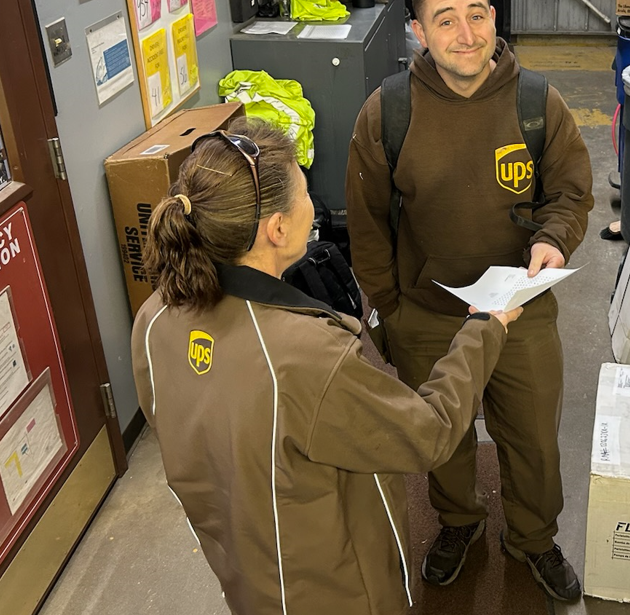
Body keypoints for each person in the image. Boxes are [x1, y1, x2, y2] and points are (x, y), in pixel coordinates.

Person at [131, 117, 522, 615]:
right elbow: (430, 432)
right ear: (277, 228)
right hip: (332, 590)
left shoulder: (154, 317)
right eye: (304, 191)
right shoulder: (304, 356)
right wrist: (486, 327)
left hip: (243, 568)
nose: (311, 204)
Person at [345, 0, 593, 602]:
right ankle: (459, 523)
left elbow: (570, 191)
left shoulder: (538, 102)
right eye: (444, 19)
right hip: (427, 312)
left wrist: (550, 238)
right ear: (418, 32)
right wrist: (392, 315)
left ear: (493, 16)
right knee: (442, 438)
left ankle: (534, 538)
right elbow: (368, 229)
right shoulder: (387, 114)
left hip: (521, 309)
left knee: (534, 436)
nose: (465, 33)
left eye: (476, 14)